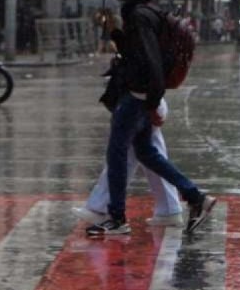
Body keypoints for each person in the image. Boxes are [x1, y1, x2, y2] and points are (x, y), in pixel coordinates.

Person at [87, 0, 215, 237]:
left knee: (118, 154)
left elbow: (151, 61)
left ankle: (117, 218)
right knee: (146, 153)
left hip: (137, 98)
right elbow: (137, 53)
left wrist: (153, 101)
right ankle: (195, 197)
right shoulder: (145, 13)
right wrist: (116, 33)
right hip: (144, 97)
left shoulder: (139, 15)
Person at [74, 97, 184, 228]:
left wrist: (152, 106)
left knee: (128, 156)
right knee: (146, 155)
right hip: (143, 101)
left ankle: (100, 208)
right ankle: (171, 208)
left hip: (140, 101)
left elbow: (149, 79)